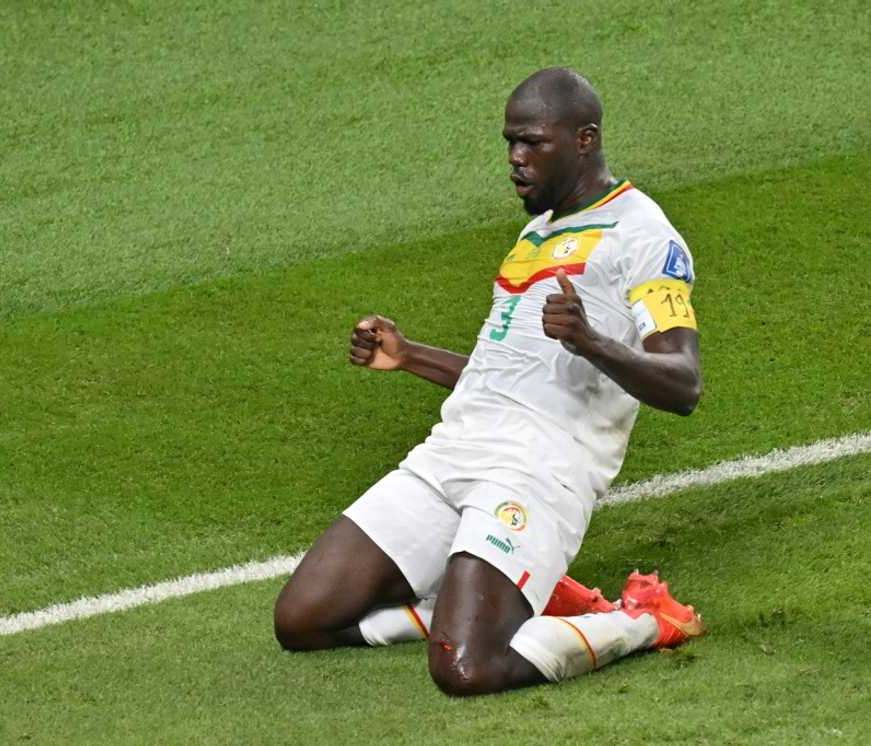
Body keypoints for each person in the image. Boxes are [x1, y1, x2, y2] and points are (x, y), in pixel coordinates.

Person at [273, 67, 704, 696]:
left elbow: (684, 383)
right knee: (302, 620)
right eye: (510, 142)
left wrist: (592, 340)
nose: (515, 159)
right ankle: (493, 598)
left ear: (584, 139)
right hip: (454, 453)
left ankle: (640, 620)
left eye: (533, 143)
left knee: (466, 668)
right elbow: (504, 379)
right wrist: (409, 355)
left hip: (537, 469)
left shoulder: (643, 236)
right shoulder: (534, 236)